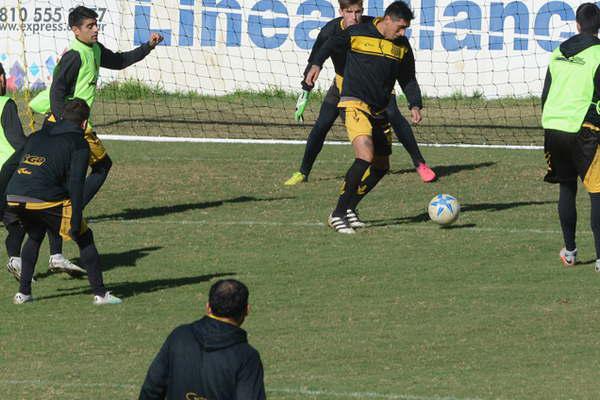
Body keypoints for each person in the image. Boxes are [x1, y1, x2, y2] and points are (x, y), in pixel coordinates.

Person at [28, 5, 164, 270]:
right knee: (97, 169)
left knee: (74, 179)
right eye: (90, 26)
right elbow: (57, 92)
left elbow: (120, 61)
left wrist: (148, 46)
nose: (95, 29)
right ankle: (67, 215)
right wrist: (65, 125)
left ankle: (57, 249)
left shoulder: (95, 49)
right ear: (75, 30)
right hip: (64, 126)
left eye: (96, 25)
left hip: (74, 125)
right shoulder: (74, 56)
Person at [284, 0, 435, 186]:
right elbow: (317, 57)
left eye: (358, 12)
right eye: (349, 12)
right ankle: (303, 172)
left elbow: (406, 74)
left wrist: (414, 103)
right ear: (341, 11)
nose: (354, 17)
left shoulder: (371, 27)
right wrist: (305, 91)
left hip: (372, 88)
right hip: (341, 86)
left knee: (394, 115)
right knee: (321, 126)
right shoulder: (330, 30)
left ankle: (419, 164)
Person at [305, 1, 423, 233]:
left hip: (379, 109)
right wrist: (316, 64)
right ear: (387, 19)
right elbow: (329, 44)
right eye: (399, 28)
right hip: (354, 103)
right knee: (365, 156)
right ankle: (337, 213)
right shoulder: (358, 33)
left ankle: (350, 208)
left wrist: (414, 103)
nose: (402, 33)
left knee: (381, 166)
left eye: (405, 29)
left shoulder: (401, 45)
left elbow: (408, 77)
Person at [0, 98, 122, 305]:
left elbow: (8, 167)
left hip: (15, 194)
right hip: (44, 197)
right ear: (84, 124)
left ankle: (24, 294)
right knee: (85, 237)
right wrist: (76, 216)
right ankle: (101, 295)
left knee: (36, 234)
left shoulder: (36, 136)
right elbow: (75, 183)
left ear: (61, 117)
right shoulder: (79, 143)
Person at [541, 3, 600, 271]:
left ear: (577, 24)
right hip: (584, 130)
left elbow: (546, 93)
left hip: (554, 129)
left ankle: (570, 251)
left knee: (567, 188)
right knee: (597, 194)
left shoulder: (558, 51)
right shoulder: (599, 54)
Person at [139, 279, 266, 400]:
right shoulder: (247, 356)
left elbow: (152, 388)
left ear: (208, 307)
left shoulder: (179, 336)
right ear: (247, 310)